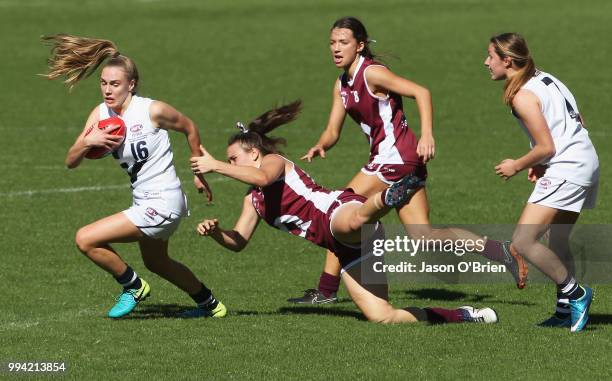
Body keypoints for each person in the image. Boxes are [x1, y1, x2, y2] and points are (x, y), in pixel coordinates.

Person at [190, 100, 498, 325]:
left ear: (254, 153)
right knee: (383, 316)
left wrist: (215, 165)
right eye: (227, 161)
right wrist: (217, 233)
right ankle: (465, 315)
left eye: (233, 159)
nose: (230, 165)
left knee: (349, 222)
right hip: (345, 247)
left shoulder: (273, 163)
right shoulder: (252, 201)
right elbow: (239, 241)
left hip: (338, 211)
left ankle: (389, 195)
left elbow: (260, 177)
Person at [291, 16, 527, 304]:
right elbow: (332, 130)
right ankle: (499, 251)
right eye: (332, 43)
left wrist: (427, 135)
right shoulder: (341, 84)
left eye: (344, 42)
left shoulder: (372, 74)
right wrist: (321, 144)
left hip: (396, 159)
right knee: (424, 236)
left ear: (360, 45)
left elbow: (421, 92)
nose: (336, 48)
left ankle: (326, 290)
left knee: (341, 210)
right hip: (400, 161)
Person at [42, 34, 225, 319]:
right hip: (144, 202)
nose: (107, 90)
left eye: (114, 84)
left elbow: (189, 127)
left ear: (131, 85)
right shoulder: (100, 114)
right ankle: (212, 305)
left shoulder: (151, 110)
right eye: (103, 83)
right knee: (158, 262)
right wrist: (88, 142)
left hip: (164, 201)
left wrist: (198, 172)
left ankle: (133, 286)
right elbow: (70, 161)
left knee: (85, 239)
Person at [484, 33, 599, 332]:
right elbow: (578, 121)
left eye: (490, 57)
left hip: (568, 167)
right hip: (585, 161)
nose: (486, 63)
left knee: (522, 241)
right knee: (557, 240)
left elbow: (547, 146)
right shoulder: (546, 78)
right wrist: (541, 163)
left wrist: (519, 165)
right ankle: (565, 312)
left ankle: (576, 294)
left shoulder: (522, 95)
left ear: (507, 60)